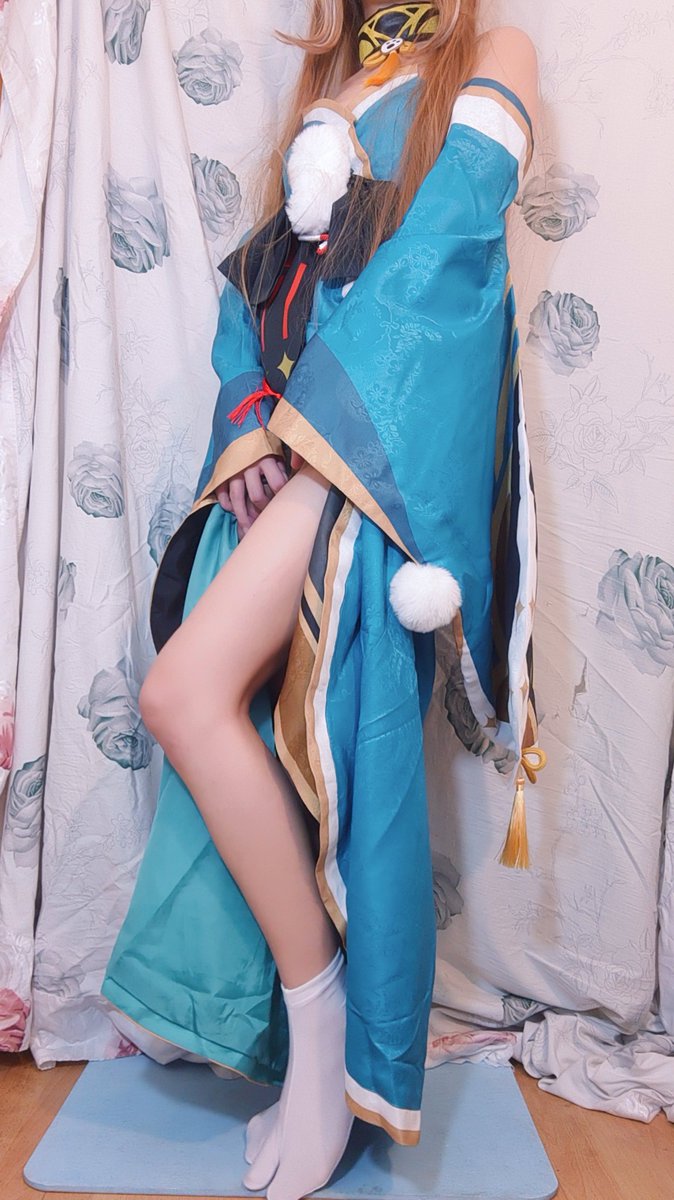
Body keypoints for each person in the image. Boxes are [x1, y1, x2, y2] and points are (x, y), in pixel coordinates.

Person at [101, 4, 543, 1199]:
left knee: (186, 696)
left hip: (366, 447)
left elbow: (448, 243)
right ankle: (282, 1016)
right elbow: (261, 278)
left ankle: (323, 1017)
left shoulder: (491, 55)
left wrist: (315, 429)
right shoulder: (336, 83)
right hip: (297, 443)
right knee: (229, 720)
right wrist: (246, 410)